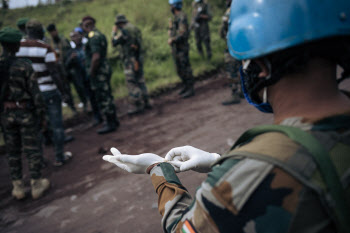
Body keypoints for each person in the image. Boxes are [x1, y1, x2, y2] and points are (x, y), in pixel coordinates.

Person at [103, 0, 350, 232]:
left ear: (261, 66)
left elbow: (184, 228)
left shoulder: (259, 170)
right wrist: (217, 161)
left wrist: (157, 169)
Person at [0, 27, 50, 200]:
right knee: (31, 149)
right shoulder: (24, 65)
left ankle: (18, 187)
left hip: (6, 114)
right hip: (25, 112)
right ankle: (36, 184)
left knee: (12, 150)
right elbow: (36, 93)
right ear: (15, 46)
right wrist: (42, 115)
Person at [16, 19, 73, 167]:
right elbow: (53, 72)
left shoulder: (18, 47)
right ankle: (59, 157)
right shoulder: (45, 48)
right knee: (57, 125)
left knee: (35, 127)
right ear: (39, 31)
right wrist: (64, 92)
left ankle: (39, 160)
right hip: (49, 91)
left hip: (30, 94)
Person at [81, 16, 119, 134]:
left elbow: (96, 57)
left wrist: (91, 73)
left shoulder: (93, 37)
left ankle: (110, 123)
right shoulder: (99, 34)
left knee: (103, 97)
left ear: (86, 25)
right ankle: (113, 120)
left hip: (99, 72)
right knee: (107, 95)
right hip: (103, 70)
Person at [112, 14, 151, 115]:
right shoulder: (135, 28)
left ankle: (138, 104)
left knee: (131, 82)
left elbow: (114, 42)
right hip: (138, 58)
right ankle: (147, 101)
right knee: (140, 80)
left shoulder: (124, 31)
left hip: (130, 59)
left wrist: (114, 32)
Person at [67, 29, 102, 125]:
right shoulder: (71, 51)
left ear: (81, 36)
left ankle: (104, 113)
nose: (76, 38)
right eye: (73, 37)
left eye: (77, 35)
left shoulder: (86, 46)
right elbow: (66, 65)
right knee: (90, 97)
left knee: (98, 94)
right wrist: (71, 59)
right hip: (82, 78)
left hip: (92, 75)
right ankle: (97, 116)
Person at [46, 23, 77, 114]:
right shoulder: (49, 44)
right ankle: (73, 108)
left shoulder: (64, 40)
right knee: (66, 90)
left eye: (54, 31)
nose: (53, 33)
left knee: (79, 85)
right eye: (51, 32)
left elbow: (71, 51)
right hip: (60, 71)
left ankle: (85, 103)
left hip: (70, 67)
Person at [168, 0, 195, 99]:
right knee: (179, 68)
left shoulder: (182, 17)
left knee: (185, 67)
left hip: (182, 47)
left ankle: (190, 88)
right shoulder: (175, 18)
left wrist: (173, 39)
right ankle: (185, 86)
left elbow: (182, 33)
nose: (170, 7)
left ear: (175, 6)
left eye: (171, 5)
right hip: (177, 48)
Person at [220, 0, 242, 106]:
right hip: (241, 44)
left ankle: (235, 94)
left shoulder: (229, 12)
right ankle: (243, 91)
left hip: (231, 46)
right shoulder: (241, 9)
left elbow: (222, 32)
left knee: (231, 70)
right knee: (242, 67)